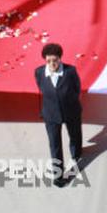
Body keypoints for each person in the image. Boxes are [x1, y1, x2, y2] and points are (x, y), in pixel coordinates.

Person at [34, 43, 82, 186]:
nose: (52, 64)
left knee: (74, 135)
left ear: (60, 59)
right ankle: (58, 176)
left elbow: (76, 88)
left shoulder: (70, 71)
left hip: (71, 110)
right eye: (48, 61)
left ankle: (76, 153)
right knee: (54, 145)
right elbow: (41, 87)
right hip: (51, 114)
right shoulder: (39, 72)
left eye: (55, 60)